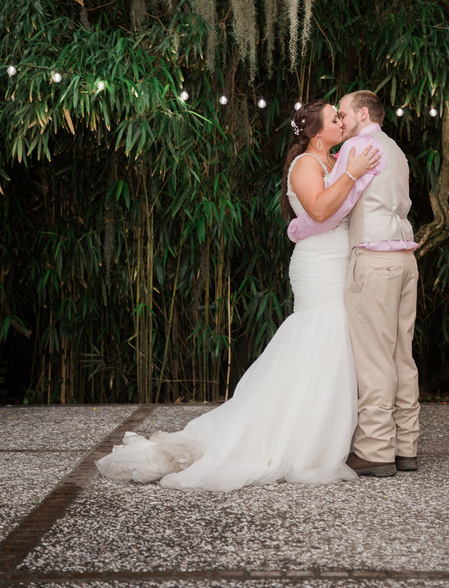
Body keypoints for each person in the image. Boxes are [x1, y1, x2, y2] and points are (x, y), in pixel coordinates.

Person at [96, 99, 381, 492]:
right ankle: (293, 438)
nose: (341, 121)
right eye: (335, 118)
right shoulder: (306, 165)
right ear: (318, 133)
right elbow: (316, 210)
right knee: (322, 333)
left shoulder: (335, 162)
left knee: (332, 341)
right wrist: (350, 174)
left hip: (338, 261)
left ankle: (316, 428)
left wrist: (348, 174)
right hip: (318, 265)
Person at [288, 90, 420, 477]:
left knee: (375, 356)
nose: (341, 122)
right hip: (405, 257)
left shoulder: (357, 148)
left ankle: (376, 451)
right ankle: (406, 446)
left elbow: (333, 211)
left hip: (374, 260)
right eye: (335, 118)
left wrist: (299, 226)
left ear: (362, 114)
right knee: (401, 355)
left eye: (343, 114)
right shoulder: (394, 148)